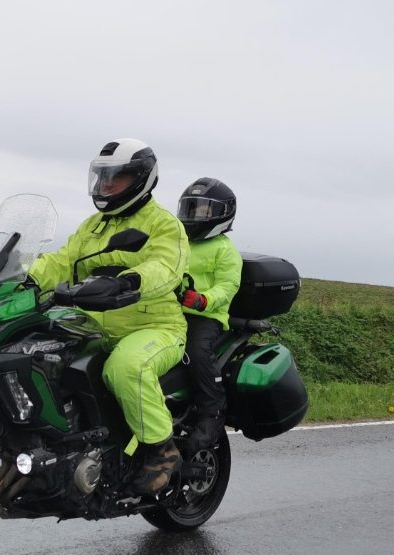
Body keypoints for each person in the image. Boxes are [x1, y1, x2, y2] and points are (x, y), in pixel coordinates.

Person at [28, 138, 189, 494]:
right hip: (92, 326)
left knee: (126, 367)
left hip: (154, 327)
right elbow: (63, 261)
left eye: (117, 177)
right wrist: (26, 277)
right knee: (38, 355)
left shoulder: (163, 224)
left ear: (141, 178)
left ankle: (161, 450)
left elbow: (165, 267)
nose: (106, 185)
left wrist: (129, 281)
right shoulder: (93, 226)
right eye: (102, 177)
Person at [175, 177, 242, 461]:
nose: (194, 216)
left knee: (196, 352)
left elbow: (228, 286)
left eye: (202, 210)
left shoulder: (225, 249)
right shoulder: (178, 242)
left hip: (206, 316)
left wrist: (203, 300)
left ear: (221, 213)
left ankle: (212, 410)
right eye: (190, 208)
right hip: (171, 311)